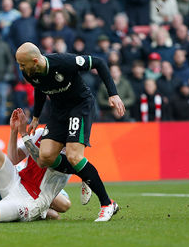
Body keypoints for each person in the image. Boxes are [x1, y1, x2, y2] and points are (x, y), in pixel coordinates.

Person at [15, 42, 123, 221]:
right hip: (58, 111)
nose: (20, 68)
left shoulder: (64, 62)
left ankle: (107, 203)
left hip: (79, 106)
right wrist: (36, 117)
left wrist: (113, 93)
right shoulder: (29, 72)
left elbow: (99, 63)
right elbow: (40, 88)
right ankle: (85, 174)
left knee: (74, 156)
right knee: (45, 158)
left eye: (22, 64)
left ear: (35, 61)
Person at [0, 109, 73, 222]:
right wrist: (14, 131)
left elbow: (42, 161)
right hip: (18, 182)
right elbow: (13, 159)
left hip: (30, 200)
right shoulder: (39, 134)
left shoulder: (71, 154)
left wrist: (23, 134)